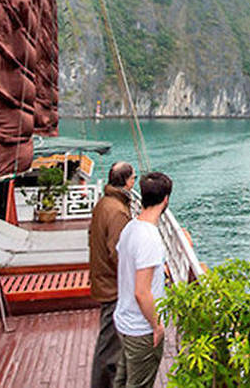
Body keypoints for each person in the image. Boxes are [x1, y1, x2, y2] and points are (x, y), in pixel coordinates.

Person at [113, 171, 173, 388]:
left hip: (124, 320)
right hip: (141, 329)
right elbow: (142, 291)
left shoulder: (130, 228)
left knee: (123, 379)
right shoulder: (149, 238)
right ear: (165, 199)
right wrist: (157, 326)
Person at [88, 161, 135, 388]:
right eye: (133, 178)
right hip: (112, 286)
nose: (134, 182)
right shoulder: (117, 211)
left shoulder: (104, 203)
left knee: (109, 342)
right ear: (127, 181)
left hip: (103, 279)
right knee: (109, 345)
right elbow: (119, 253)